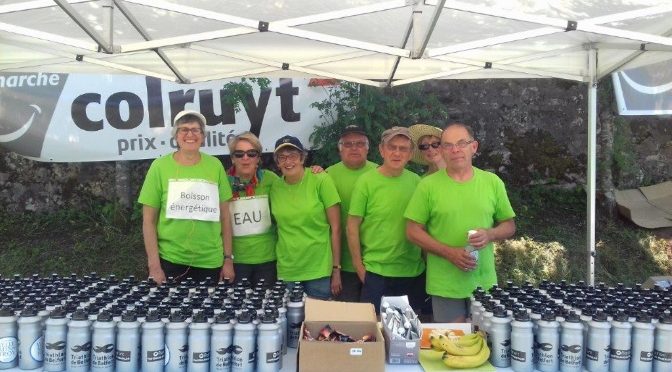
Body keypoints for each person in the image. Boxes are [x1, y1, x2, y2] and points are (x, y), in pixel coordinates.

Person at [405, 123, 516, 322]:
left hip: (484, 283)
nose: (455, 150)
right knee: (451, 346)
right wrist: (450, 253)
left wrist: (490, 234)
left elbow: (509, 225)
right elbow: (412, 231)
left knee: (485, 344)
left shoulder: (492, 182)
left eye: (461, 143)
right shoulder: (427, 186)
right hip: (445, 285)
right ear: (442, 151)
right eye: (447, 145)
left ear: (473, 147)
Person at [139, 110, 234, 284]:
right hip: (170, 260)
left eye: (195, 130)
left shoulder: (215, 166)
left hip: (210, 261)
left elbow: (226, 217)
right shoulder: (159, 167)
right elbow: (148, 220)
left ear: (203, 136)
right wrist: (154, 265)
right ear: (175, 136)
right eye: (184, 129)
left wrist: (228, 258)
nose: (190, 134)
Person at [347, 126, 425, 313]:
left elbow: (425, 225)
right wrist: (359, 268)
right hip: (376, 273)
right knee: (374, 333)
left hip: (412, 273)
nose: (397, 153)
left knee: (408, 335)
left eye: (403, 148)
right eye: (392, 147)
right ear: (382, 150)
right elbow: (352, 226)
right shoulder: (366, 182)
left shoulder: (417, 183)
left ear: (410, 153)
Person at [269, 135, 342, 300]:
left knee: (319, 323)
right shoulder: (274, 187)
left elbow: (336, 229)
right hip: (288, 268)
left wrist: (336, 268)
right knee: (291, 323)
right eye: (282, 157)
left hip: (318, 268)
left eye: (293, 156)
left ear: (302, 158)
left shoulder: (321, 180)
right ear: (277, 162)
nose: (288, 161)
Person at [326, 125, 378, 302]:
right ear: (340, 149)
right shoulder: (327, 175)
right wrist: (336, 268)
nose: (354, 148)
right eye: (348, 144)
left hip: (376, 262)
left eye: (360, 143)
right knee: (348, 321)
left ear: (368, 148)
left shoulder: (380, 173)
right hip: (343, 264)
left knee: (376, 318)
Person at [226, 131, 280, 285]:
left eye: (251, 153)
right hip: (236, 261)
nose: (245, 158)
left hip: (268, 260)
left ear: (258, 158)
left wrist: (316, 172)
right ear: (232, 158)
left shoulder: (271, 179)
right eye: (239, 154)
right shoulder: (222, 182)